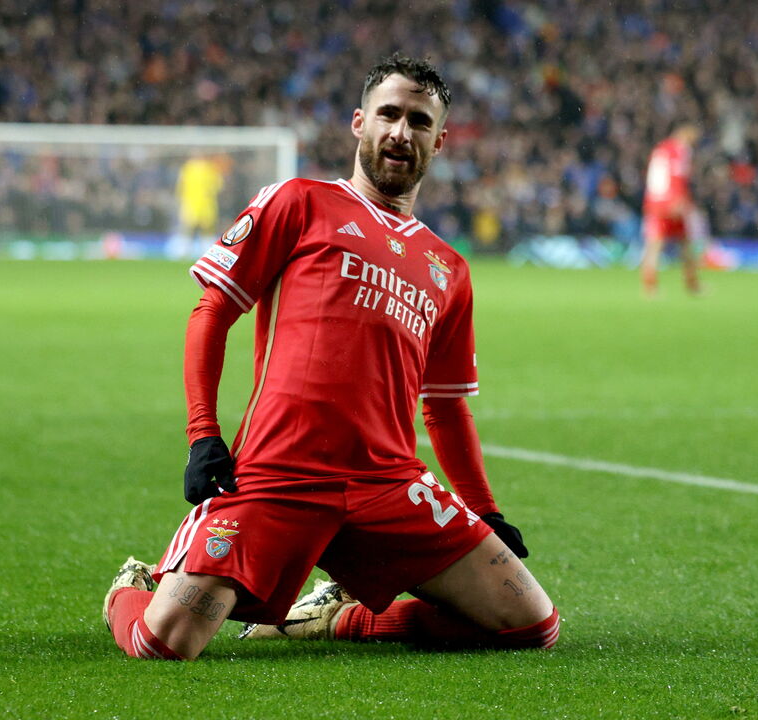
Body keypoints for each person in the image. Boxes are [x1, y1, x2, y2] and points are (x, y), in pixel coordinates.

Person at [102, 53, 559, 660]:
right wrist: (203, 434)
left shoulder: (449, 269)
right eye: (388, 115)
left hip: (388, 483)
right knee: (166, 643)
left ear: (440, 140)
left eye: (418, 121)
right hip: (278, 474)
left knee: (530, 625)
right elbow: (213, 312)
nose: (401, 132)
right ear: (358, 123)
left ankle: (336, 619)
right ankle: (131, 589)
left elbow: (445, 409)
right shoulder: (299, 203)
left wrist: (484, 510)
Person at [640, 122, 703, 296]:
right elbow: (677, 176)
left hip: (654, 201)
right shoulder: (679, 150)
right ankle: (690, 284)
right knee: (676, 244)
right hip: (671, 202)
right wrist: (679, 200)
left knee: (658, 244)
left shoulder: (661, 148)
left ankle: (651, 286)